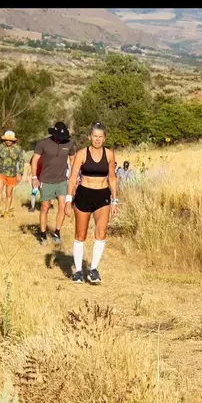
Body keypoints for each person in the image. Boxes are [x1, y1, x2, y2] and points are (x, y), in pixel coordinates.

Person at [65, 121, 119, 284]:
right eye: (94, 136)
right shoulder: (82, 154)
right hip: (84, 194)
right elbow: (73, 177)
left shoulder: (109, 154)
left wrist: (115, 200)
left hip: (103, 195)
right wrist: (68, 199)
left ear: (104, 138)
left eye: (100, 137)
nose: (97, 139)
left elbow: (112, 177)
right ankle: (79, 271)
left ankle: (93, 270)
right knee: (80, 235)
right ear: (90, 137)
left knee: (101, 233)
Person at [31, 122, 76, 246]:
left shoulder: (69, 143)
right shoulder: (43, 143)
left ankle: (57, 232)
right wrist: (34, 177)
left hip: (62, 180)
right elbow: (34, 159)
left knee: (62, 205)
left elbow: (73, 159)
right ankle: (43, 234)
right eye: (58, 137)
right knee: (45, 207)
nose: (61, 140)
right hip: (46, 180)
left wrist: (73, 176)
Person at [0, 130, 25, 217]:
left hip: (12, 174)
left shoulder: (18, 149)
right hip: (0, 171)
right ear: (4, 139)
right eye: (6, 139)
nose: (8, 141)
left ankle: (6, 211)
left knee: (9, 193)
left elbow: (21, 161)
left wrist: (20, 173)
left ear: (13, 140)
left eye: (10, 140)